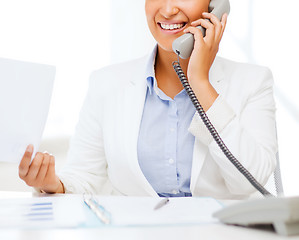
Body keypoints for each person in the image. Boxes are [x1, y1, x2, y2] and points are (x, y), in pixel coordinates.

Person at [18, 0, 278, 199]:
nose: (166, 10)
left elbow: (250, 179)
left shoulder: (253, 82)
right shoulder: (106, 83)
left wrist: (200, 83)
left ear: (215, 6)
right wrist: (52, 184)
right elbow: (85, 178)